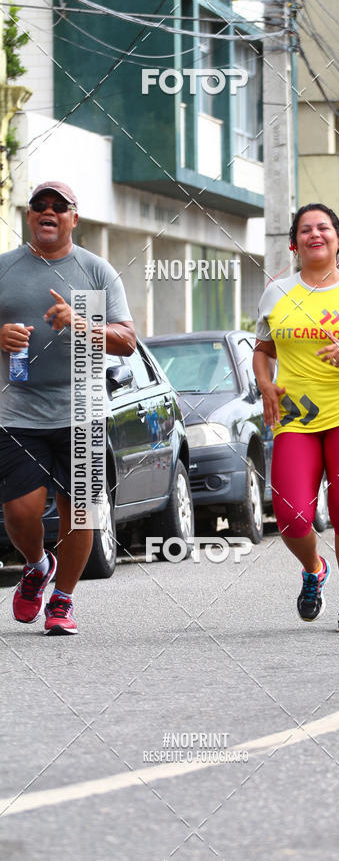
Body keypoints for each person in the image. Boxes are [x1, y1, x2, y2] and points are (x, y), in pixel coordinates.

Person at [0, 181, 136, 634]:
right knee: (20, 510)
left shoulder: (96, 272)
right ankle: (38, 565)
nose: (49, 211)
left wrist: (81, 322)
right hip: (18, 412)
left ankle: (62, 600)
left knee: (81, 513)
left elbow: (128, 341)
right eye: (40, 205)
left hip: (83, 410)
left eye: (60, 206)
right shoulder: (6, 269)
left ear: (73, 218)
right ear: (29, 216)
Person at [253, 203, 339, 631]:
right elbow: (262, 350)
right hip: (295, 416)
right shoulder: (277, 293)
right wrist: (264, 384)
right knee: (291, 515)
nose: (315, 234)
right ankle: (314, 568)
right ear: (294, 244)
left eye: (324, 228)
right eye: (305, 230)